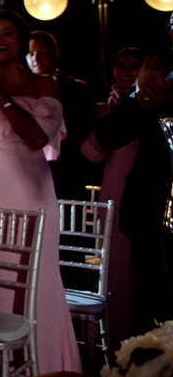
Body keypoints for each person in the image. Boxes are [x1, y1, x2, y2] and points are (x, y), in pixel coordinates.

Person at [0, 10, 81, 375]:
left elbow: (38, 138)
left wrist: (0, 93)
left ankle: (44, 368)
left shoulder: (44, 85)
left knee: (36, 280)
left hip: (30, 192)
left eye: (7, 33)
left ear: (22, 40)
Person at [90, 14, 173, 336]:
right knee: (152, 307)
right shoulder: (159, 75)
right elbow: (108, 134)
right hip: (150, 212)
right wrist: (140, 100)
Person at [79, 47, 141, 344]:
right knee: (115, 270)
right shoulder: (102, 108)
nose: (125, 71)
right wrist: (113, 117)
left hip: (143, 192)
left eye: (133, 66)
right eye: (120, 65)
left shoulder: (153, 106)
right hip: (114, 192)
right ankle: (118, 342)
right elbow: (91, 153)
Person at [28, 31, 97, 200]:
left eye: (42, 52)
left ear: (56, 53)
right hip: (28, 172)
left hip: (67, 174)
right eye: (31, 53)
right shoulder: (18, 89)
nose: (36, 58)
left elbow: (81, 132)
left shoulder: (79, 90)